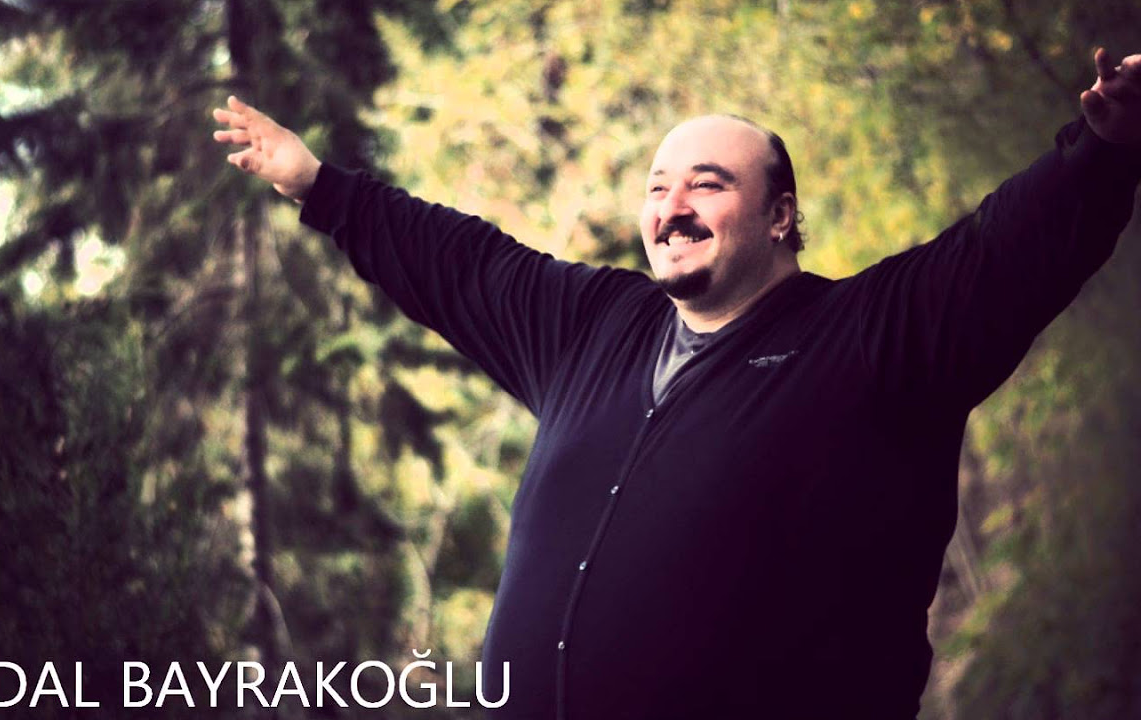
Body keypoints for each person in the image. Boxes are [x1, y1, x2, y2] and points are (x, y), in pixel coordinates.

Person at [213, 49, 1141, 718]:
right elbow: (461, 262)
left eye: (708, 185)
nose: (673, 208)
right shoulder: (592, 327)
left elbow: (1002, 254)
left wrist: (1102, 149)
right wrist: (322, 189)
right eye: (658, 188)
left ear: (780, 216)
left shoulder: (869, 340)